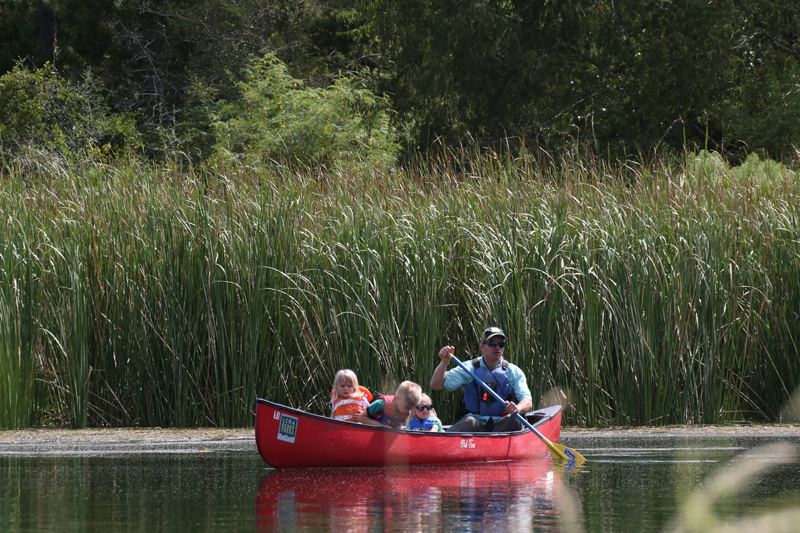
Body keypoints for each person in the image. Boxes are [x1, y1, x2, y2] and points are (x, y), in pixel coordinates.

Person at [431, 326, 533, 432]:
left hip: (503, 423)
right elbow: (436, 385)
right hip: (477, 422)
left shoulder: (513, 371)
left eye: (501, 344)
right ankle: (442, 440)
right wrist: (444, 362)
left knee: (514, 420)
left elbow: (527, 401)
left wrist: (517, 408)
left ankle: (493, 444)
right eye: (492, 344)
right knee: (470, 421)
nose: (497, 347)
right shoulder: (468, 368)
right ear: (483, 347)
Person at [357, 381, 422, 429]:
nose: (409, 410)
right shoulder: (381, 404)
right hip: (367, 430)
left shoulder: (407, 411)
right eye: (407, 407)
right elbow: (360, 418)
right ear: (398, 398)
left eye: (412, 408)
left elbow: (398, 424)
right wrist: (379, 424)